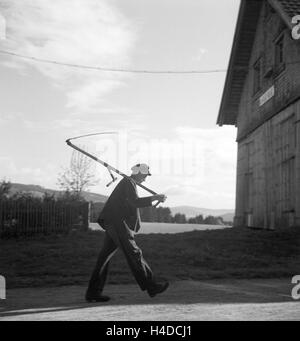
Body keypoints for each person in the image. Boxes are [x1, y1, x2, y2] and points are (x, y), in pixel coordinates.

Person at [85, 163, 169, 302]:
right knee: (134, 252)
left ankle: (93, 293)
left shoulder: (128, 182)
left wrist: (154, 198)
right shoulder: (128, 182)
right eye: (145, 175)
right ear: (139, 173)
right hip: (117, 222)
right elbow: (134, 202)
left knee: (104, 258)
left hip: (112, 221)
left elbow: (131, 202)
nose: (145, 179)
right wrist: (154, 198)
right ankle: (151, 285)